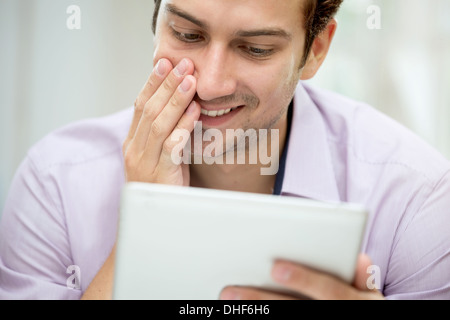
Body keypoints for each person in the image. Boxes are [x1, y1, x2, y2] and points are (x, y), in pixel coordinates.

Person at [1, 0, 449, 300]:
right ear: (156, 21)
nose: (211, 84)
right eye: (187, 34)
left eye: (254, 49)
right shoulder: (56, 179)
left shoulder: (417, 197)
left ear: (315, 51)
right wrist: (147, 219)